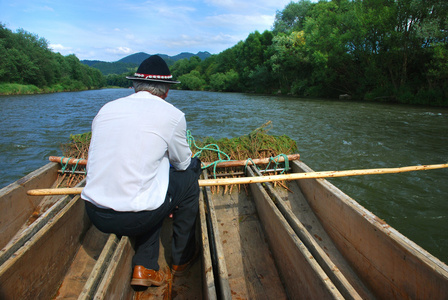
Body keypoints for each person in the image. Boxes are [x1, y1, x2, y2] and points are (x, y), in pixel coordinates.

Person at [81, 55, 201, 287]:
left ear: (135, 86)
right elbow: (183, 164)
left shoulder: (106, 109)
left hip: (96, 214)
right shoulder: (173, 115)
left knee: (153, 184)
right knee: (188, 180)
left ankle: (145, 266)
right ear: (166, 91)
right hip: (137, 217)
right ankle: (181, 259)